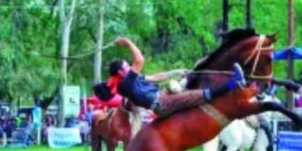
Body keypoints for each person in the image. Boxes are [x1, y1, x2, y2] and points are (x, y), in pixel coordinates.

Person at [95, 37, 246, 118]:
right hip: (161, 104)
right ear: (120, 73)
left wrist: (177, 72)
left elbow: (155, 77)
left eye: (129, 65)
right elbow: (140, 60)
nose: (129, 66)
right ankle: (233, 83)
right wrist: (128, 43)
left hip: (163, 96)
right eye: (126, 66)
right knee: (199, 94)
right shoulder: (125, 83)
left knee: (188, 79)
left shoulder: (132, 79)